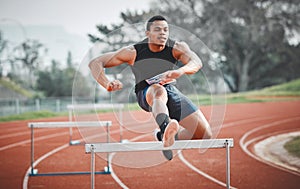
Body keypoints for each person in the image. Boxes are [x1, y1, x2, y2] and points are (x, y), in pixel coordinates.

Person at [89, 15, 212, 160]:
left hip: (171, 92)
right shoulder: (133, 52)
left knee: (205, 134)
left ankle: (165, 136)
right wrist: (107, 84)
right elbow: (95, 63)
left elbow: (196, 62)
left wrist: (180, 71)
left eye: (166, 30)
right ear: (148, 33)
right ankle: (165, 126)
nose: (163, 33)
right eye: (158, 30)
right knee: (158, 91)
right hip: (146, 93)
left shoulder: (176, 48)